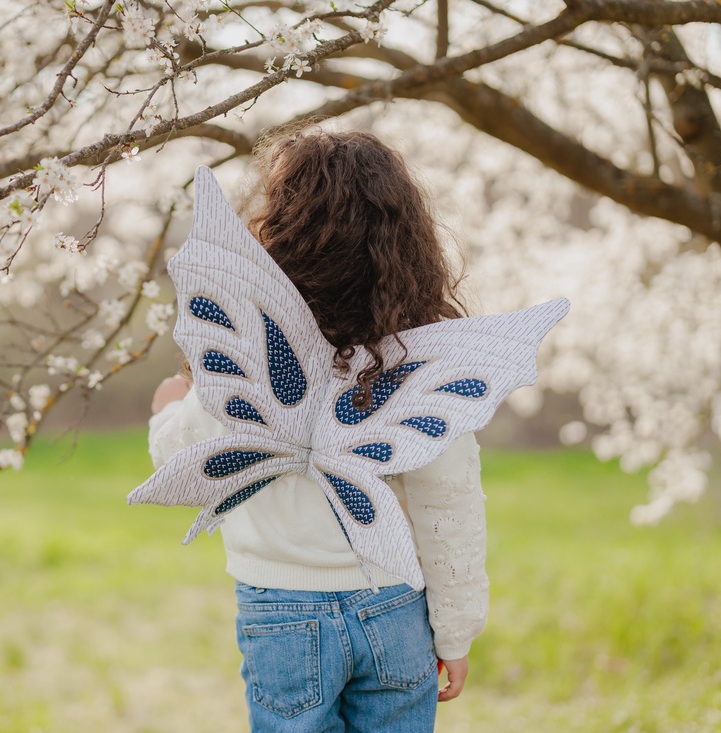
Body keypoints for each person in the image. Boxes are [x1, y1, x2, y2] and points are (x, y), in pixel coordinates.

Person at [146, 129, 487, 732]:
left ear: (279, 230)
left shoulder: (251, 356)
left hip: (281, 614)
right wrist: (455, 633)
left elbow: (189, 461)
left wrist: (168, 404)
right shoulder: (415, 362)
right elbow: (449, 504)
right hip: (395, 606)